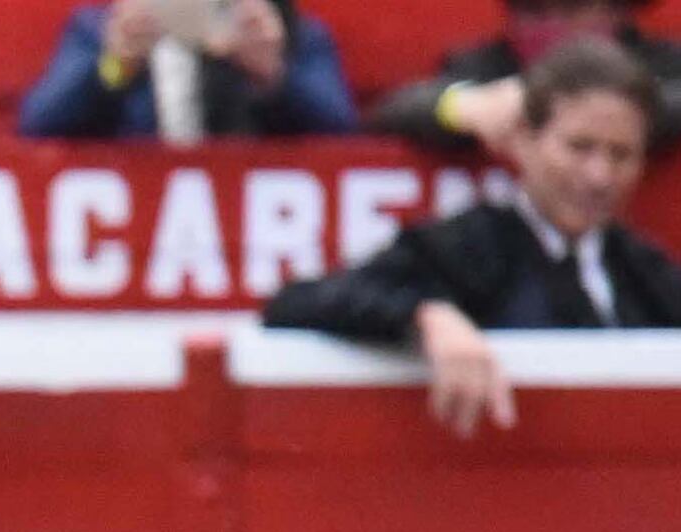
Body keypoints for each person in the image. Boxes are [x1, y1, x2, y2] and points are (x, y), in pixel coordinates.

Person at [266, 38, 681, 431]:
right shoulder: (469, 245)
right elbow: (296, 303)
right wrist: (425, 314)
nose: (599, 176)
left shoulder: (642, 270)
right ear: (523, 140)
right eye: (579, 147)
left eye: (621, 154)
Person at [369, 0, 681, 148]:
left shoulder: (661, 62)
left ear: (617, 10)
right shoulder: (490, 63)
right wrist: (464, 107)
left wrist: (600, 109)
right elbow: (398, 109)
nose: (551, 25)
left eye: (571, 10)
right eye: (534, 11)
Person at [18, 0, 354, 137]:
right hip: (146, 211)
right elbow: (40, 122)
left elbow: (344, 132)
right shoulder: (101, 29)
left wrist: (273, 76)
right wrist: (116, 67)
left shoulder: (287, 33)